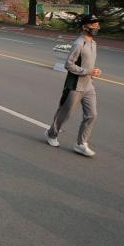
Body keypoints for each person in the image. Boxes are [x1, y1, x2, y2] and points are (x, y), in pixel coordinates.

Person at [45, 14, 102, 157]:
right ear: (84, 27)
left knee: (92, 115)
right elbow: (68, 65)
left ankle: (81, 144)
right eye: (93, 24)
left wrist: (93, 71)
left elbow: (87, 63)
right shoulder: (78, 43)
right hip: (75, 85)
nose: (96, 27)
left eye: (97, 24)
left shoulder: (93, 43)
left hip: (89, 85)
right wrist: (88, 71)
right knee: (66, 114)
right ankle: (51, 134)